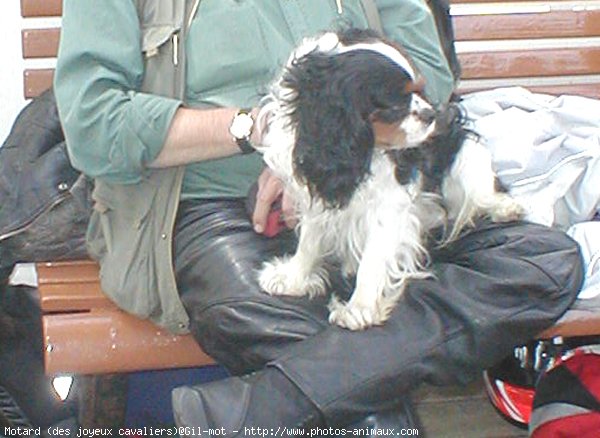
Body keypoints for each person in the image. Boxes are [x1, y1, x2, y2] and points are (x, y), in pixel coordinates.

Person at [54, 0, 583, 434]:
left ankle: (252, 409)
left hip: (376, 187)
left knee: (544, 262)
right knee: (326, 371)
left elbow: (430, 79)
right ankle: (340, 391)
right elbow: (92, 124)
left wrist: (329, 158)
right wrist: (266, 138)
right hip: (210, 205)